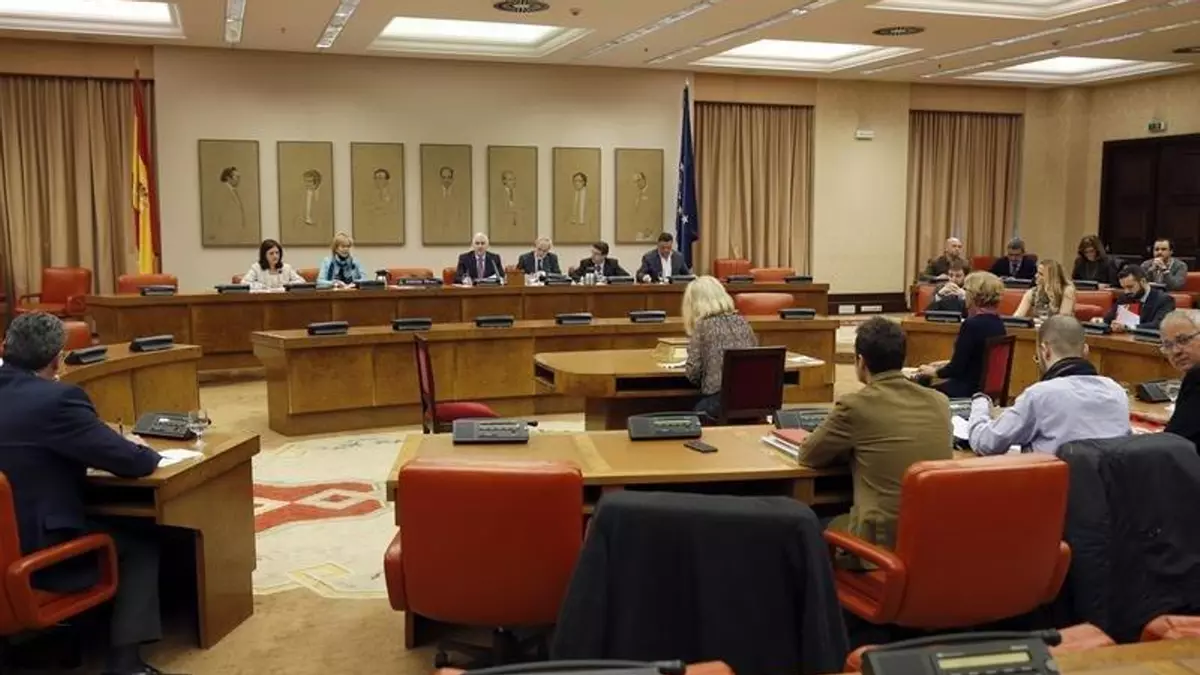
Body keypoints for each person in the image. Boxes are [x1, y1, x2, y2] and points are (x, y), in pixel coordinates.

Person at [0, 313, 166, 675]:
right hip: (36, 560)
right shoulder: (58, 400)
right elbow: (131, 463)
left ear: (4, 347)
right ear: (57, 359)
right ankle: (125, 664)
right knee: (141, 542)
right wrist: (141, 448)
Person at [798, 317, 952, 555]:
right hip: (932, 543)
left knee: (806, 523)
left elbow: (808, 455)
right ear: (902, 359)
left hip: (877, 547)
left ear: (860, 361)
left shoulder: (855, 405)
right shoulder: (940, 401)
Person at [966, 316, 1130, 455]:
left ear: (1045, 351)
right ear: (1085, 351)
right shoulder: (1116, 392)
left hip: (1053, 483)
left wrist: (980, 402)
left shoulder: (1040, 395)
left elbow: (985, 443)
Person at [917, 271, 1007, 398]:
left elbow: (956, 369)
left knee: (919, 390)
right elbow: (978, 360)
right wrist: (944, 364)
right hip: (982, 390)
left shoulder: (971, 325)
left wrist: (934, 372)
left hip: (966, 390)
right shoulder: (998, 323)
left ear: (973, 295)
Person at [681, 276, 757, 420]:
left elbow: (693, 373)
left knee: (688, 411)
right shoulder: (743, 322)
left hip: (719, 402)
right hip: (752, 401)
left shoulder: (702, 326)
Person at [1160, 309, 1200, 450]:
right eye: (1168, 345)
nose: (1176, 351)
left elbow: (1175, 443)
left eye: (1183, 340)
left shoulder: (1196, 376)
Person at [1101, 265, 1175, 332]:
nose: (1126, 292)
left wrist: (1127, 327)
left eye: (1130, 287)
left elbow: (1158, 325)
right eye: (1124, 288)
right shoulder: (1125, 297)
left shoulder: (1164, 300)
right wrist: (1108, 322)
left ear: (1143, 281)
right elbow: (1108, 319)